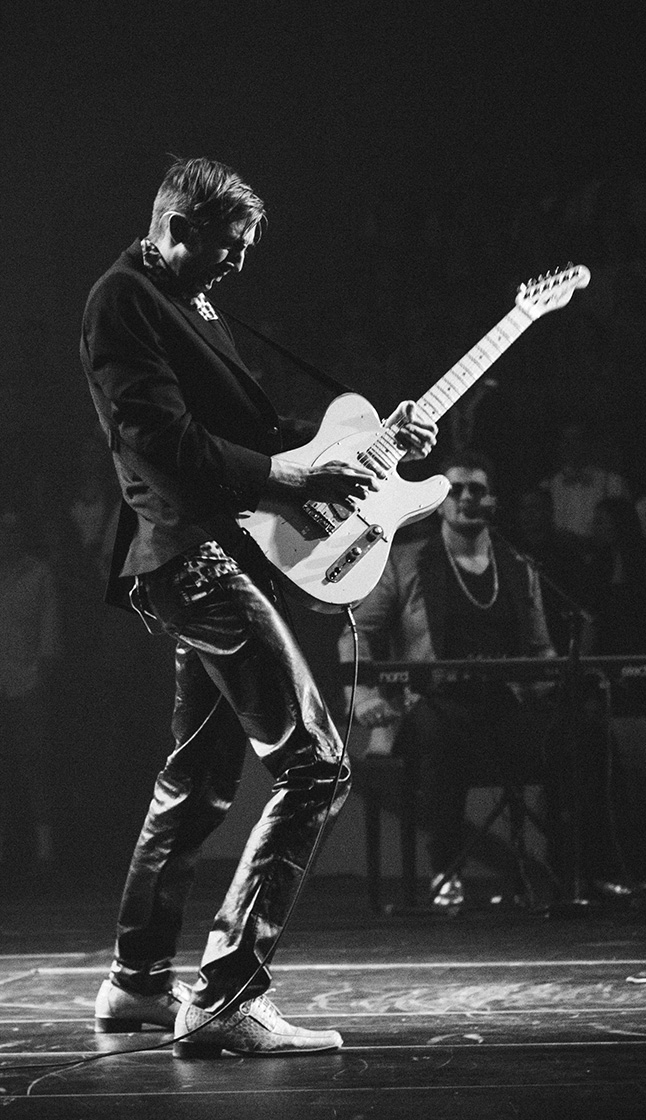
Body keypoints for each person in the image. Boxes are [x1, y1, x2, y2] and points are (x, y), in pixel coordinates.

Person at [80, 155, 437, 1058]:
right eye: (230, 245)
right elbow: (162, 443)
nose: (240, 262)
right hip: (191, 556)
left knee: (197, 779)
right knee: (318, 765)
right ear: (177, 228)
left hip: (209, 554)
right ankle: (226, 996)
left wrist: (380, 443)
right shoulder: (123, 300)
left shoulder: (189, 302)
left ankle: (136, 982)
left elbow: (258, 438)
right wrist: (290, 477)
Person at [338, 450, 625, 911]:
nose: (466, 498)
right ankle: (445, 871)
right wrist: (363, 693)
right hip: (432, 704)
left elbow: (541, 650)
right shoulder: (404, 562)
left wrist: (557, 686)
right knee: (441, 730)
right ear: (439, 502)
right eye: (455, 490)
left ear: (492, 501)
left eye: (477, 489)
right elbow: (356, 632)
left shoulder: (518, 565)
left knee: (585, 732)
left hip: (506, 705)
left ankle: (581, 873)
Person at [539, 422, 630, 550]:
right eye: (565, 441)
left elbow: (626, 528)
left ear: (589, 444)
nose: (570, 445)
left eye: (576, 439)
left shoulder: (613, 483)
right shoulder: (548, 486)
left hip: (601, 556)